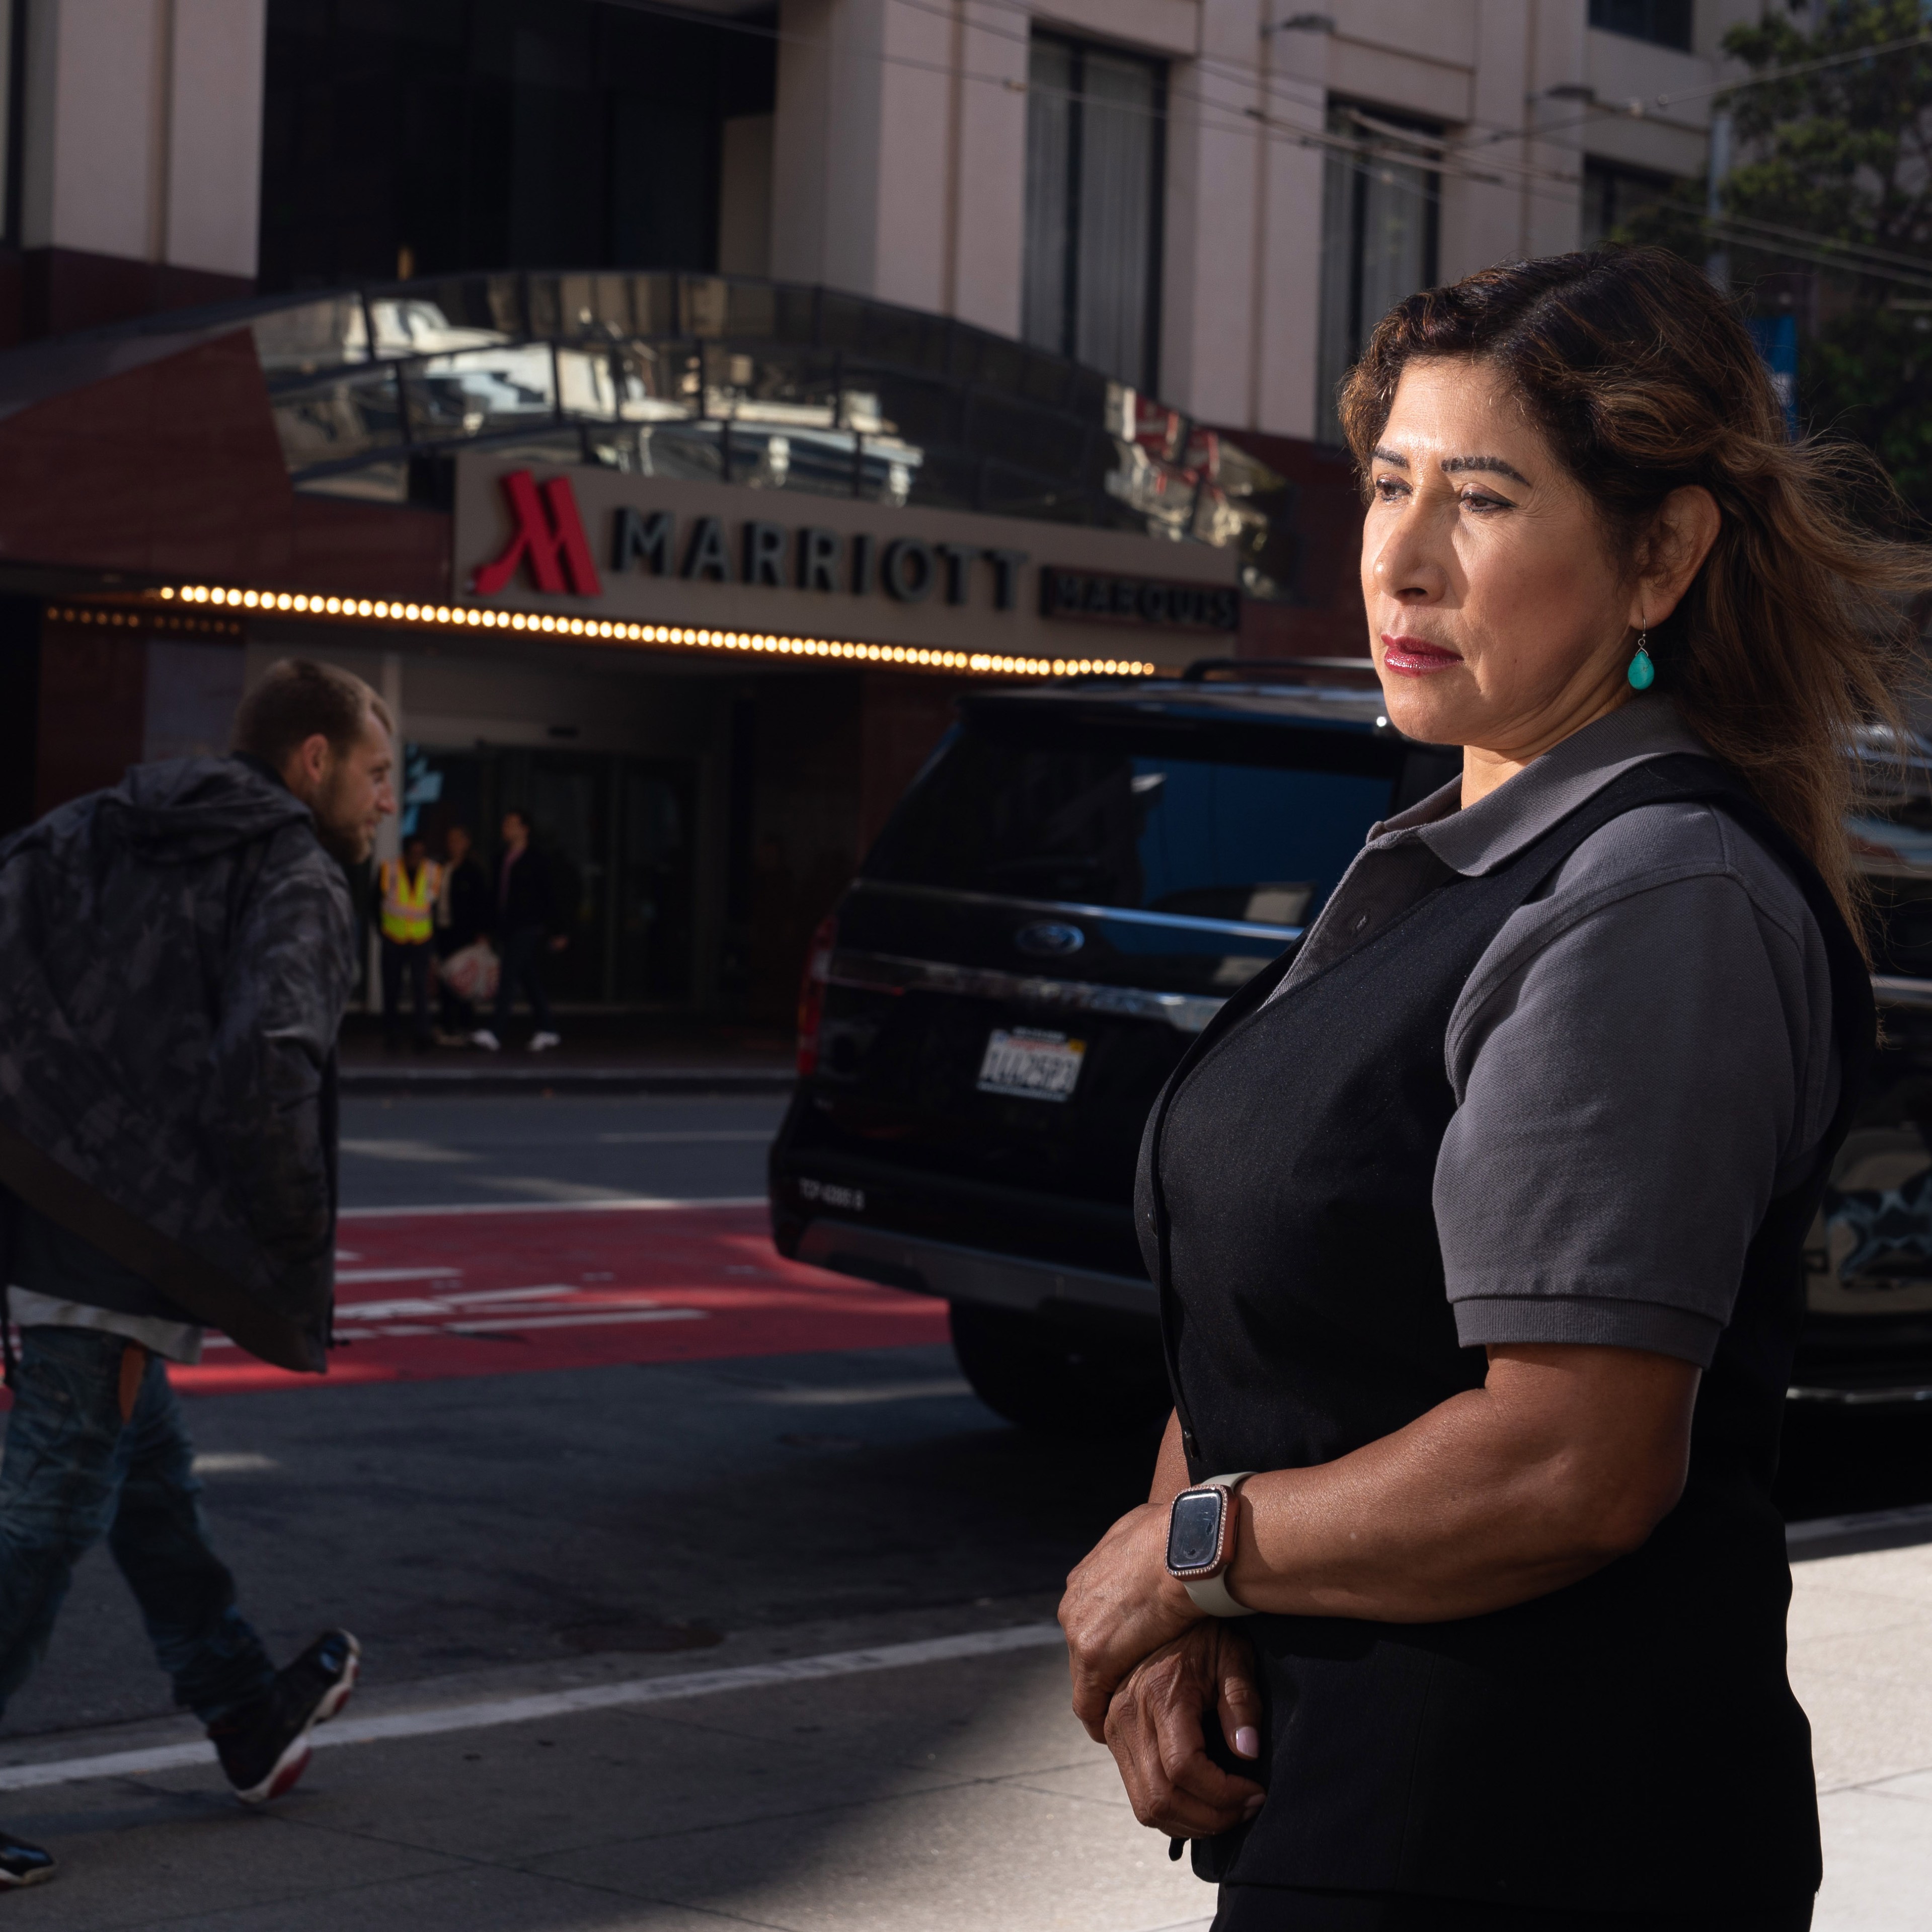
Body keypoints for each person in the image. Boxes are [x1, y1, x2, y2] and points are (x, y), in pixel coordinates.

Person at [1059, 249, 1927, 1930]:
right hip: (1346, 1812)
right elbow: (1275, 1316)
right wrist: (1181, 1577)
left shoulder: (1650, 890)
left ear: (1658, 553)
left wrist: (1179, 1554)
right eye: (1387, 480)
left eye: (1479, 496)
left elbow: (1568, 1460)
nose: (1396, 553)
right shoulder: (1433, 856)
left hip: (1537, 1847)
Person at [0, 657, 396, 1887]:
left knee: (144, 1472)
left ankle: (244, 1714)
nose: (390, 803)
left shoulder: (114, 818)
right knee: (52, 1508)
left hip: (37, 1182)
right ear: (313, 761)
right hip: (121, 1224)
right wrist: (284, 1244)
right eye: (379, 775)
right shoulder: (292, 868)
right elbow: (268, 1059)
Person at [472, 807, 565, 1053]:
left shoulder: (537, 858)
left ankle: (495, 1032)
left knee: (508, 977)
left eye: (512, 824)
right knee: (529, 979)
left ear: (525, 829)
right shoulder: (501, 857)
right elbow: (495, 896)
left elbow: (550, 896)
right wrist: (487, 928)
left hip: (528, 927)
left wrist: (558, 931)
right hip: (508, 927)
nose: (507, 828)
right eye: (505, 824)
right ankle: (548, 1029)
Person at [377, 832, 441, 1050]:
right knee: (391, 987)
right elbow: (374, 902)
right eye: (413, 853)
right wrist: (383, 931)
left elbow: (436, 907)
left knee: (421, 987)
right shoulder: (389, 869)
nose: (417, 857)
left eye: (421, 853)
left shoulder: (433, 871)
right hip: (393, 937)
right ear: (405, 852)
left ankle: (422, 1034)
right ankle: (391, 1032)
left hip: (421, 938)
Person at [433, 822, 492, 1042]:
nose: (453, 844)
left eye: (458, 840)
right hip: (443, 929)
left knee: (465, 976)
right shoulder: (441, 866)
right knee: (445, 977)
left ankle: (466, 1024)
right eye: (450, 840)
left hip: (464, 931)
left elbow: (482, 903)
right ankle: (447, 1023)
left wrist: (482, 931)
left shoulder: (473, 870)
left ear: (467, 842)